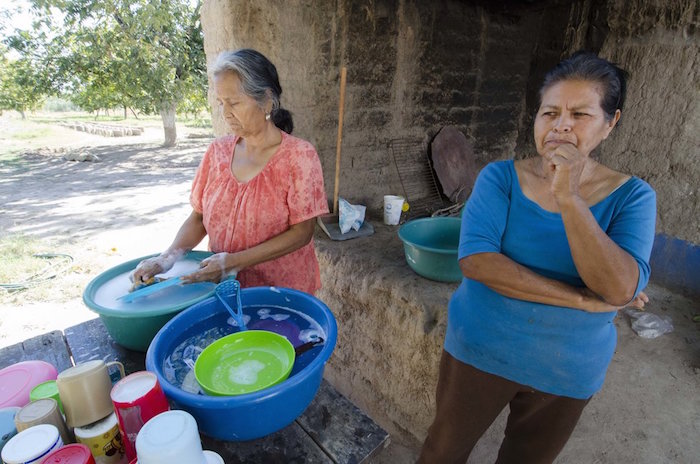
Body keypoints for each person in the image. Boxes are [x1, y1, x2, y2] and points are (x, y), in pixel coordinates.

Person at [417, 51, 656, 464]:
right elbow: (477, 262)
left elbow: (619, 287)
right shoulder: (500, 178)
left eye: (580, 114)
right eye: (550, 112)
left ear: (610, 123)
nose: (561, 124)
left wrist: (569, 196)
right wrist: (579, 298)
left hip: (567, 369)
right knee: (442, 452)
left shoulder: (633, 197)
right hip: (480, 350)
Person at [132, 49, 329, 294]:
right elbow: (198, 218)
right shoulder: (218, 153)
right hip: (224, 290)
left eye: (234, 103)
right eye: (221, 103)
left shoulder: (298, 156)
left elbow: (302, 233)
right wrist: (166, 258)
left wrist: (233, 262)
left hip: (280, 294)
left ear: (266, 101)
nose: (225, 113)